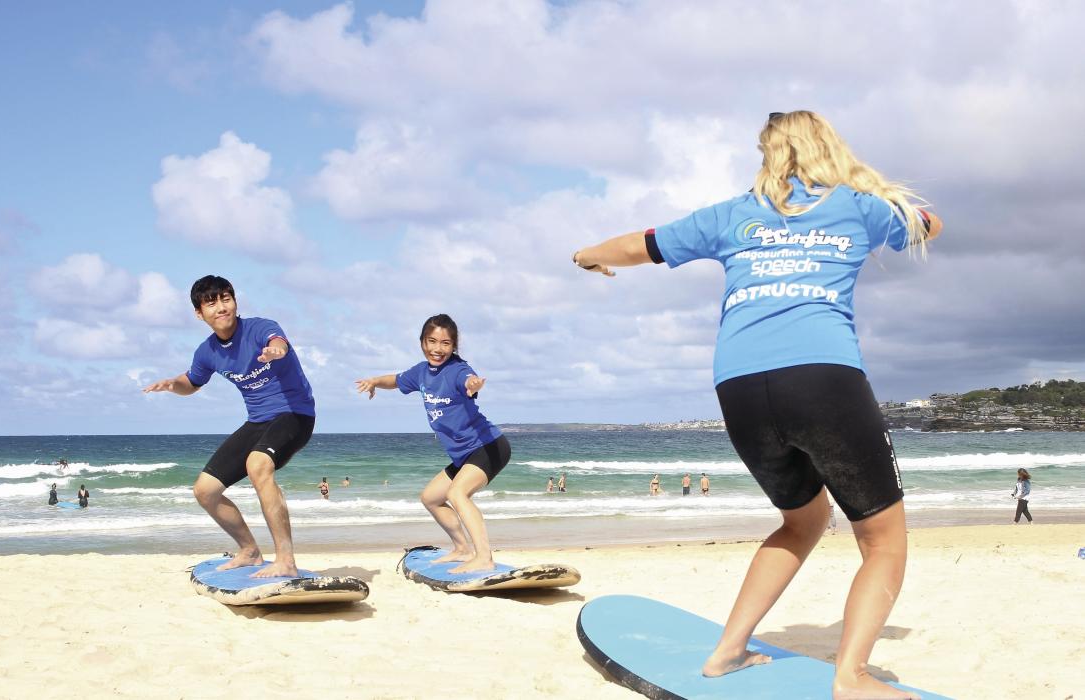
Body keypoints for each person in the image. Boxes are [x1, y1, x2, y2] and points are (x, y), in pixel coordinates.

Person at [572, 110, 943, 699]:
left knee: (802, 520)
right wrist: (880, 195)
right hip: (823, 379)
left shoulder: (732, 214)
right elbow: (929, 224)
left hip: (740, 388)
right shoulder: (856, 205)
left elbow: (639, 244)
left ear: (768, 154)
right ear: (828, 149)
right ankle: (852, 678)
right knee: (882, 540)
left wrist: (589, 254)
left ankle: (727, 651)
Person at [142, 275, 315, 578]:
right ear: (199, 313)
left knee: (257, 464)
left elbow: (278, 342)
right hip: (258, 421)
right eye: (211, 302)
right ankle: (249, 550)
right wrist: (173, 384)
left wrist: (276, 350)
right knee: (205, 491)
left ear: (235, 301)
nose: (221, 307)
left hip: (295, 413)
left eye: (226, 299)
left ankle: (285, 560)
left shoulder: (260, 328)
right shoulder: (207, 352)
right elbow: (191, 382)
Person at [355, 314, 510, 573]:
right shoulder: (421, 373)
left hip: (488, 446)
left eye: (446, 343)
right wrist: (375, 382)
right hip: (464, 455)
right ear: (422, 343)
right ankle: (462, 549)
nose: (438, 349)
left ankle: (484, 556)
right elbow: (396, 379)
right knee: (431, 498)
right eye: (432, 341)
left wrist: (473, 385)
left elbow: (468, 380)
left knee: (457, 494)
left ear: (454, 346)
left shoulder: (458, 370)